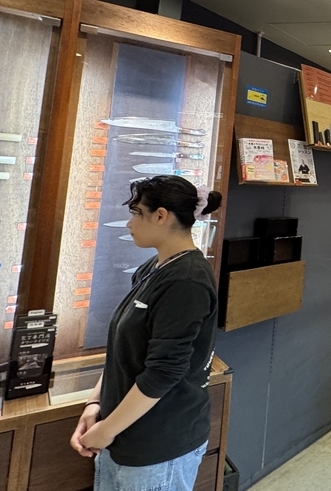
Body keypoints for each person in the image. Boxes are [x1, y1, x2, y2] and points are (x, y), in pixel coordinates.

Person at [69, 176, 221, 491]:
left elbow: (163, 372)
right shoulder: (153, 268)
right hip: (123, 435)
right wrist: (95, 404)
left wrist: (107, 429)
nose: (129, 223)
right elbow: (125, 350)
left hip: (158, 447)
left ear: (161, 215)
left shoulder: (187, 281)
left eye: (137, 212)